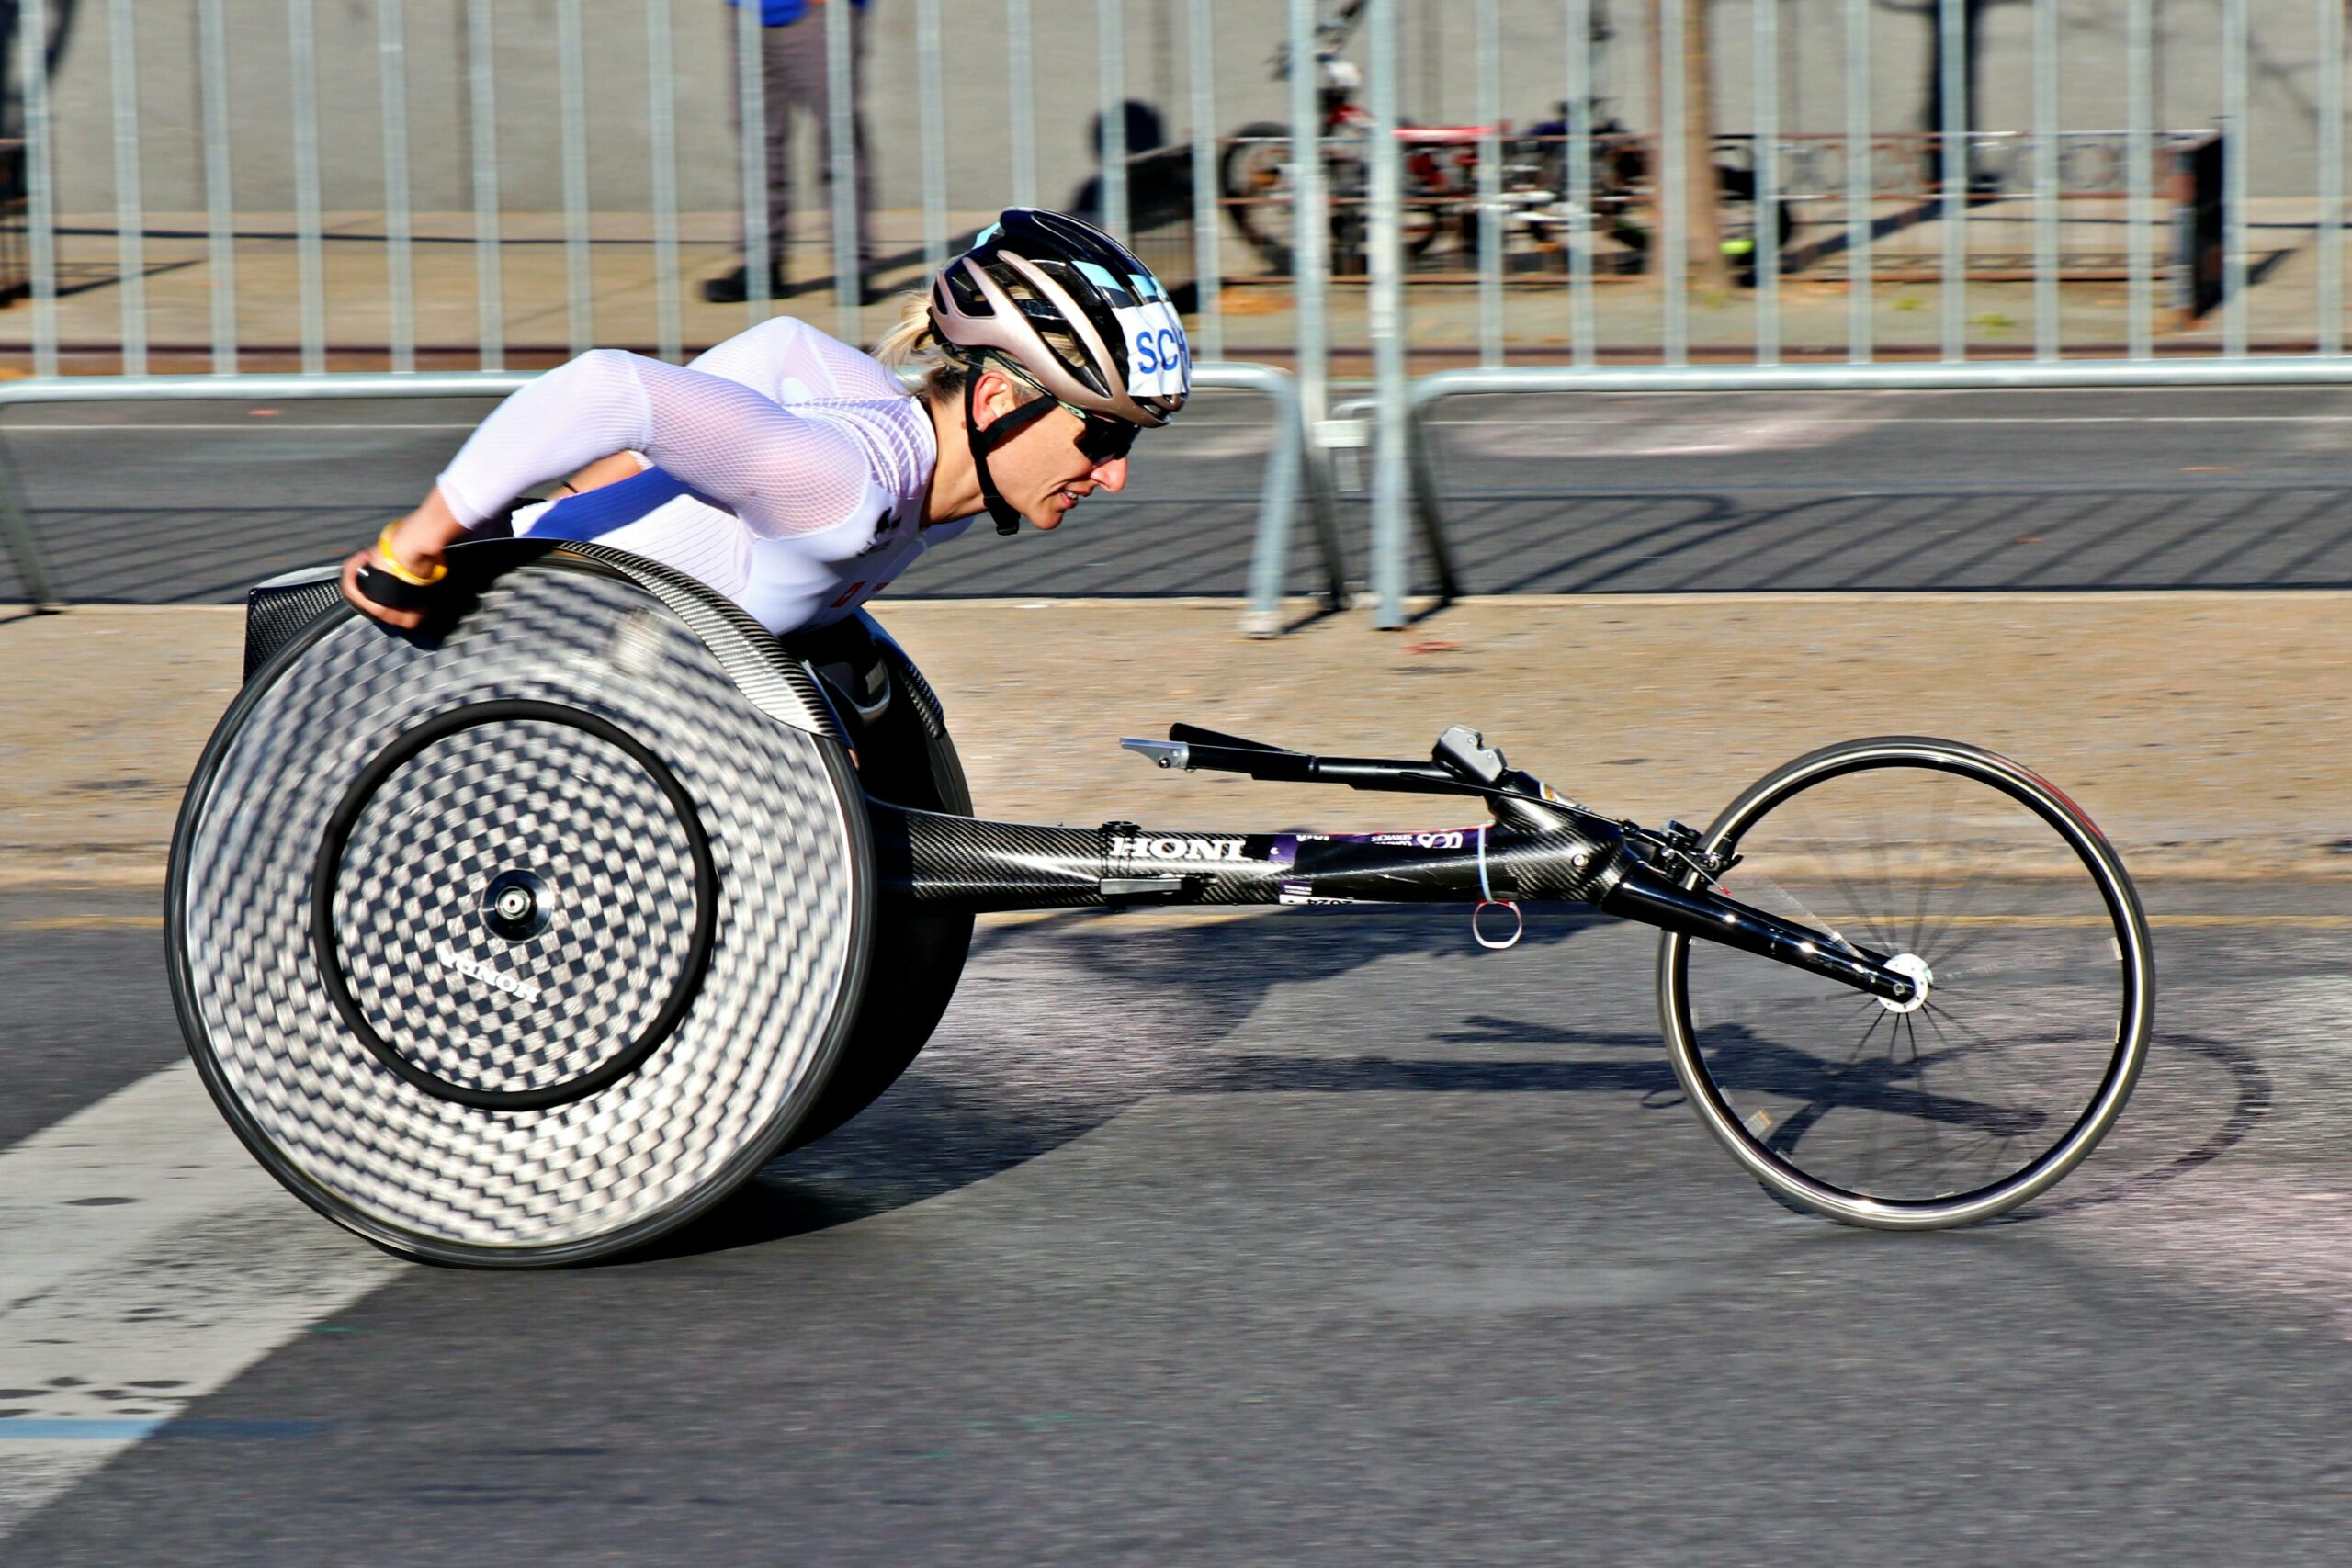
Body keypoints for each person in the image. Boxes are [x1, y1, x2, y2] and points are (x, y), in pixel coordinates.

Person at [343, 209, 1192, 640]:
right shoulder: (846, 482)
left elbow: (778, 344)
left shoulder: (915, 450)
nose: (1113, 473)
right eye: (1102, 436)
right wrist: (420, 545)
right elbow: (608, 387)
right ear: (1000, 400)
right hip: (500, 669)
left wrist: (589, 497)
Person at [703, 0, 876, 305]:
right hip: (750, 12)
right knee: (758, 145)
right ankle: (761, 267)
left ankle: (852, 268)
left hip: (818, 15)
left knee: (839, 141)